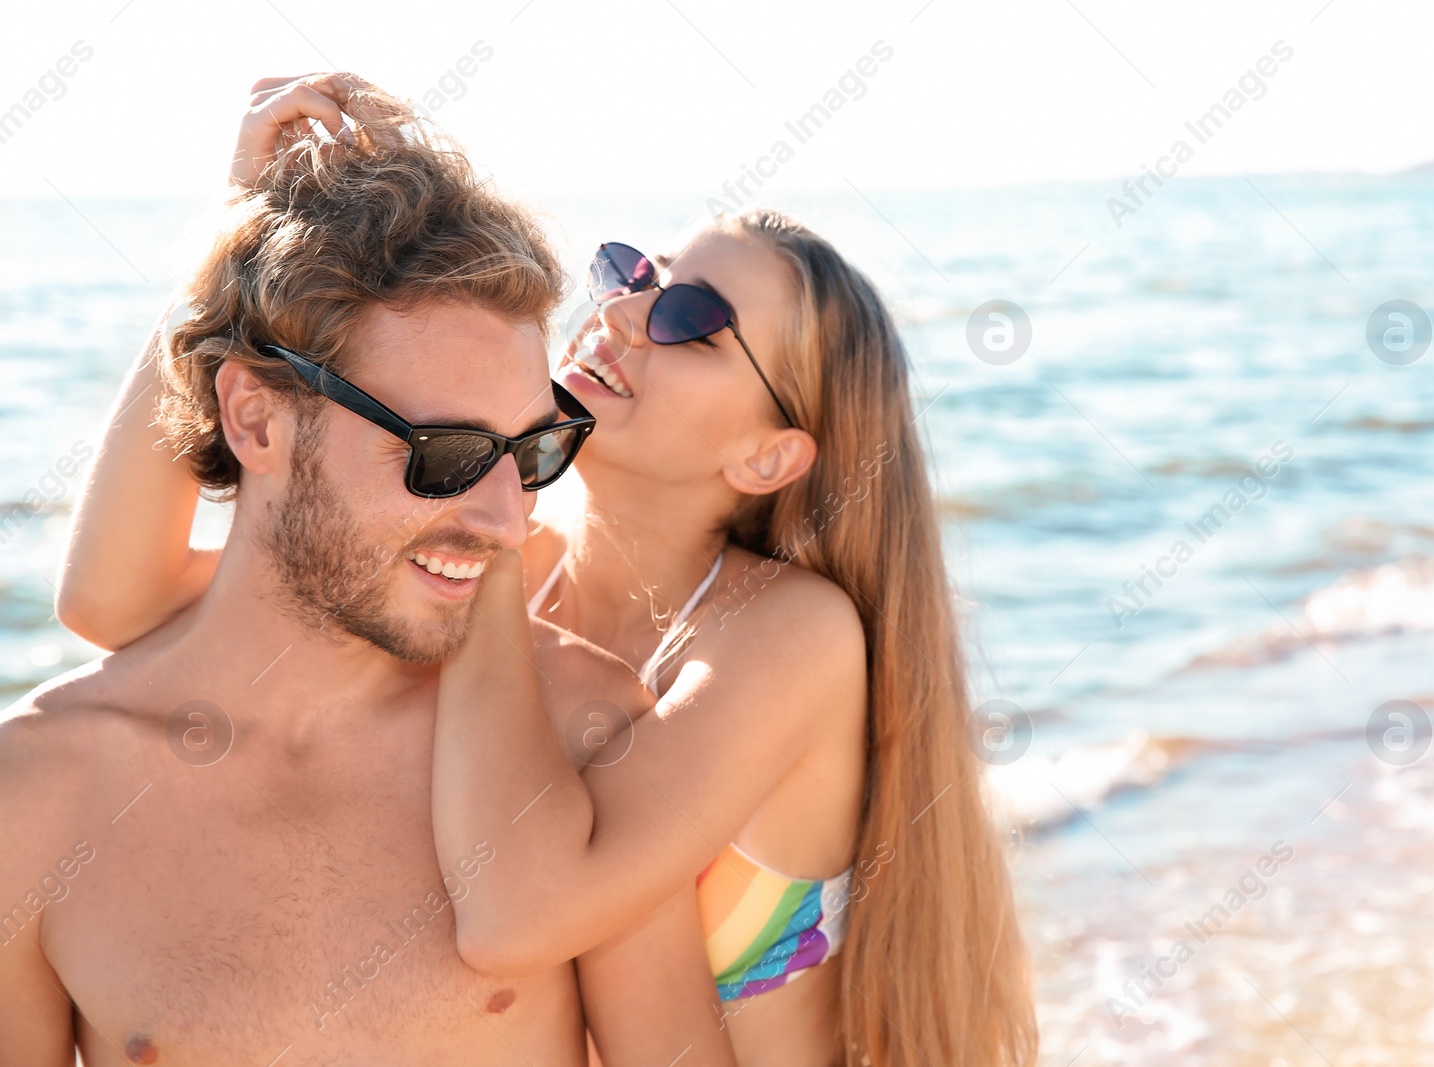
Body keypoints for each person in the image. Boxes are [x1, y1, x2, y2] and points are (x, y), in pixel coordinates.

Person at [57, 74, 1040, 1066]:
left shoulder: (786, 631)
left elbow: (516, 915)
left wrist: (481, 531)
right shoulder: (485, 560)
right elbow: (116, 603)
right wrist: (233, 246)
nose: (621, 309)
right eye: (631, 272)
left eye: (689, 318)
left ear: (767, 456)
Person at [4, 78, 734, 1066]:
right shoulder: (38, 796)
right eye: (443, 454)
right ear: (255, 419)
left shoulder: (581, 734)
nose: (508, 518)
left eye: (531, 452)